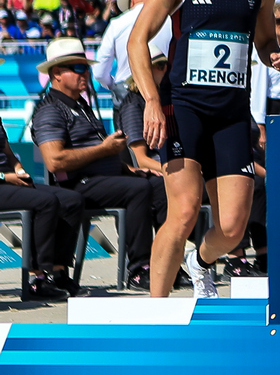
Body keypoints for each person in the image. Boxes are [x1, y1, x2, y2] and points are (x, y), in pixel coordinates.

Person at [125, 0, 280, 299]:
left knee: (233, 228)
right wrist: (150, 100)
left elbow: (265, 41)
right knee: (182, 212)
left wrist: (277, 57)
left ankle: (199, 263)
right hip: (184, 107)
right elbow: (137, 40)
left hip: (232, 113)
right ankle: (157, 311)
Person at [32, 38, 167, 291]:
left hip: (100, 179)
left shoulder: (80, 106)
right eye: (78, 68)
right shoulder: (50, 110)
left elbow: (98, 154)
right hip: (76, 183)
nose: (86, 73)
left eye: (86, 67)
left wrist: (129, 168)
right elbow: (54, 161)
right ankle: (140, 269)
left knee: (158, 185)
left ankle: (170, 262)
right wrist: (104, 149)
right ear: (57, 73)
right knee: (138, 190)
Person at [0, 92, 86, 301]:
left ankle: (57, 272)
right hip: (3, 181)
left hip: (9, 180)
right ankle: (36, 277)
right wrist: (5, 176)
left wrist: (18, 168)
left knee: (71, 200)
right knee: (45, 202)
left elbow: (7, 152)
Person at [92, 0, 170, 112]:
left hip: (126, 93)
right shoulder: (169, 22)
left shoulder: (117, 23)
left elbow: (99, 71)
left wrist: (115, 85)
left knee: (128, 133)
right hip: (163, 90)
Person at [250, 1, 280, 145]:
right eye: (279, 21)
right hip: (272, 107)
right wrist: (260, 126)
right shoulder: (263, 51)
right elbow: (258, 87)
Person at [118, 44, 171, 174]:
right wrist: (179, 173)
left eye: (167, 65)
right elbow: (141, 160)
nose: (166, 70)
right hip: (160, 170)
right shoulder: (133, 105)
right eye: (160, 65)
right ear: (145, 71)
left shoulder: (163, 98)